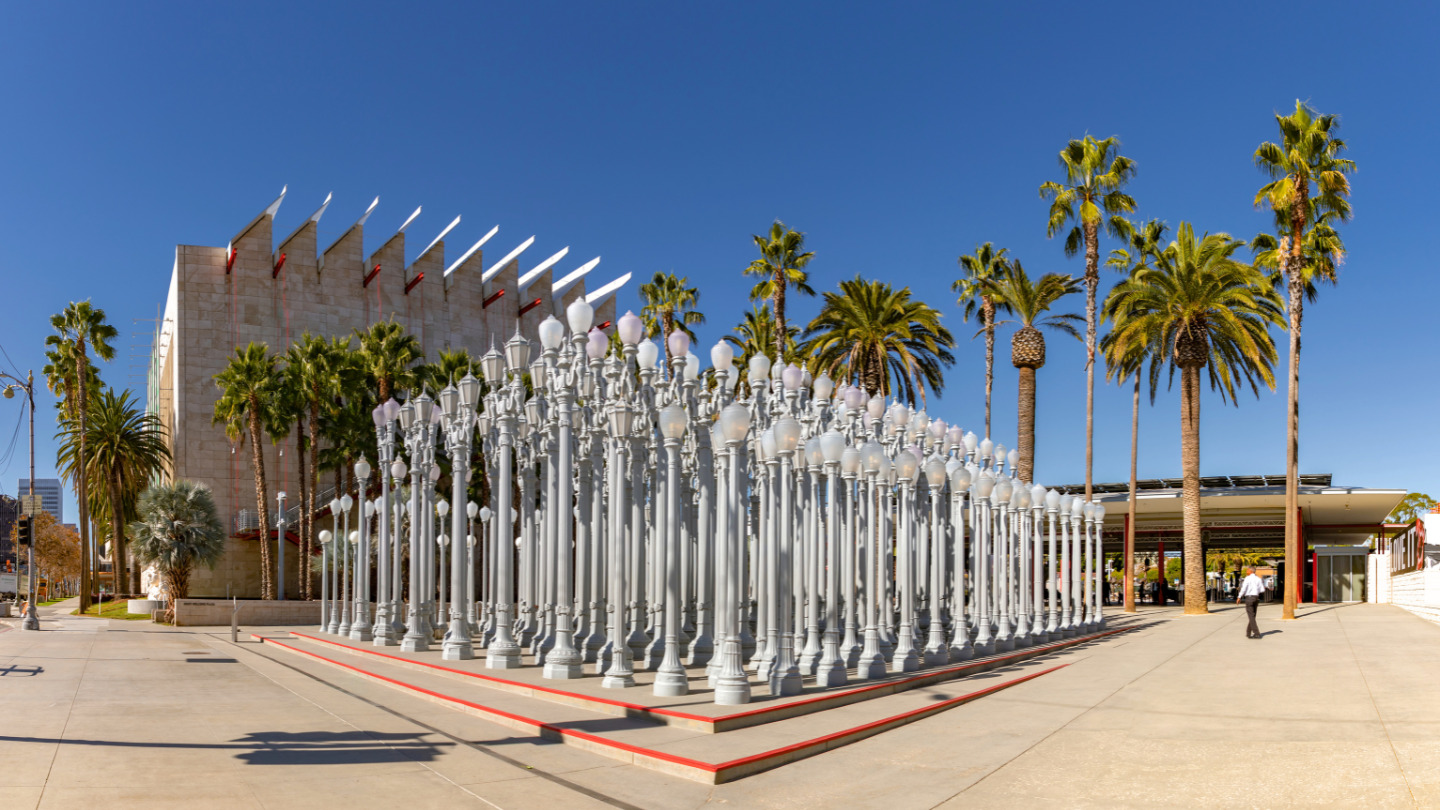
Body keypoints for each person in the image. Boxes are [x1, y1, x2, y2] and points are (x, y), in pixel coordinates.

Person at [1236, 566, 1266, 639]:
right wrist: (1256, 592)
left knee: (1251, 616)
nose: (1246, 572)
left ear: (1250, 571)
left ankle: (1256, 633)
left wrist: (1239, 597)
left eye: (1247, 570)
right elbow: (1262, 590)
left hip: (1249, 598)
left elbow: (1243, 588)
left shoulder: (1247, 579)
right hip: (1256, 598)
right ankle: (1248, 633)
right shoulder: (1258, 579)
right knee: (1252, 616)